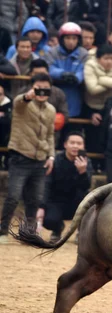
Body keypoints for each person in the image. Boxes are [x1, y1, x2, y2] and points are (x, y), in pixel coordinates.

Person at [0, 74, 56, 243]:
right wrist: (28, 96)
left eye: (46, 89)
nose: (42, 92)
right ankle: (3, 231)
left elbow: (50, 135)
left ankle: (28, 234)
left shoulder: (51, 110)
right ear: (32, 87)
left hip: (40, 160)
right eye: (38, 88)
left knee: (35, 200)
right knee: (13, 197)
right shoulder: (21, 103)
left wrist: (51, 156)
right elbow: (19, 101)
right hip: (20, 157)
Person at [38, 131, 92, 242]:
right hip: (57, 201)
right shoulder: (56, 161)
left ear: (83, 146)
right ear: (65, 145)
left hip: (77, 202)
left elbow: (86, 186)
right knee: (49, 220)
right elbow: (46, 185)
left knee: (88, 203)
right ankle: (57, 229)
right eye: (72, 142)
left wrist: (82, 172)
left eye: (79, 143)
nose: (75, 146)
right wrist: (41, 206)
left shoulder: (86, 161)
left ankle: (81, 232)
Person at [45, 22, 88, 118]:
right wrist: (62, 74)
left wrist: (77, 78)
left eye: (74, 38)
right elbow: (49, 68)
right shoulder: (52, 52)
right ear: (61, 39)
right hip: (55, 93)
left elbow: (84, 70)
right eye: (67, 38)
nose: (71, 42)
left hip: (74, 94)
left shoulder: (84, 54)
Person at [83, 44, 112, 112]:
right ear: (98, 59)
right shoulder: (90, 65)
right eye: (106, 58)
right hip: (93, 105)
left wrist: (102, 80)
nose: (109, 62)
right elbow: (93, 89)